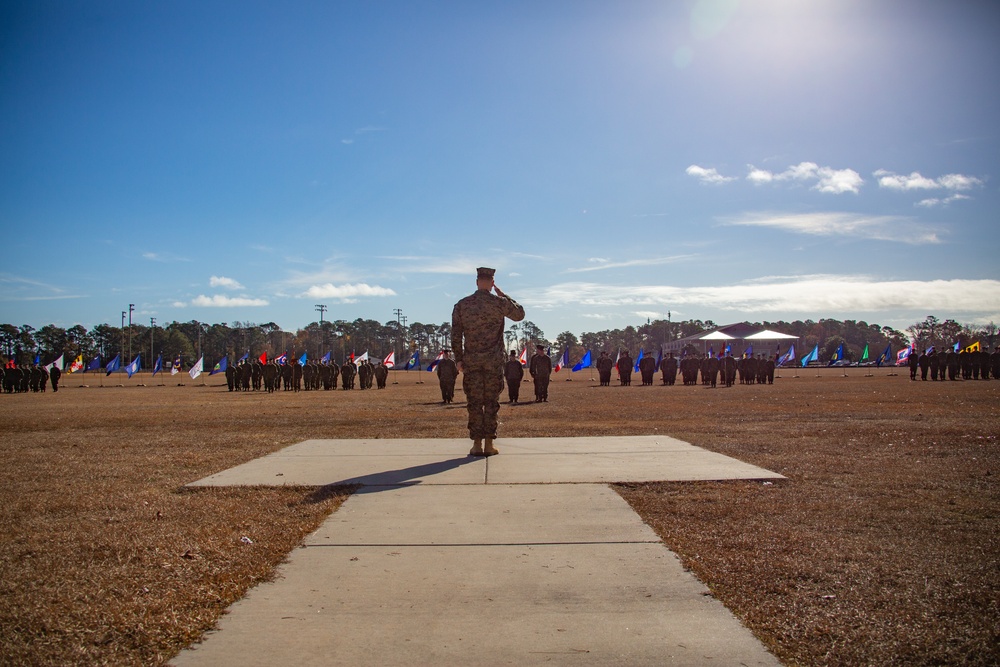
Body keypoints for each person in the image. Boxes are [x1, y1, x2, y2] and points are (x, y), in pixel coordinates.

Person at [452, 267, 525, 456]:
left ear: (477, 282)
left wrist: (459, 359)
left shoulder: (462, 305)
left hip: (472, 362)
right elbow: (519, 314)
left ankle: (477, 444)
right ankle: (489, 445)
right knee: (491, 402)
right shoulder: (498, 303)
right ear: (492, 284)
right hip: (493, 362)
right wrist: (503, 295)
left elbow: (456, 334)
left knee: (475, 402)